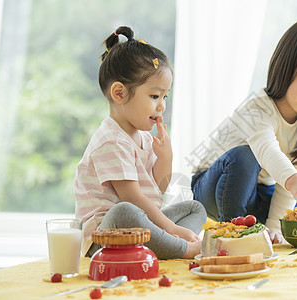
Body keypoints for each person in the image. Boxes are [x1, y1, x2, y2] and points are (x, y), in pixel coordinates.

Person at [191, 18, 297, 243]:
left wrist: (275, 227)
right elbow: (267, 149)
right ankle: (235, 235)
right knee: (245, 156)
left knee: (295, 204)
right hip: (211, 187)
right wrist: (294, 181)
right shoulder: (257, 108)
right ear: (286, 67)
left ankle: (257, 229)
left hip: (256, 193)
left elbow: (290, 179)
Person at [74, 26, 206, 259]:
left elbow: (156, 192)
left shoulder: (144, 138)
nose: (162, 105)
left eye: (165, 96)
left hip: (139, 224)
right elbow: (132, 198)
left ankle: (163, 244)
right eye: (154, 96)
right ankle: (179, 248)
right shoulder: (110, 141)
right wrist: (171, 227)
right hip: (104, 236)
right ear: (119, 94)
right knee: (126, 211)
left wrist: (166, 157)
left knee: (194, 208)